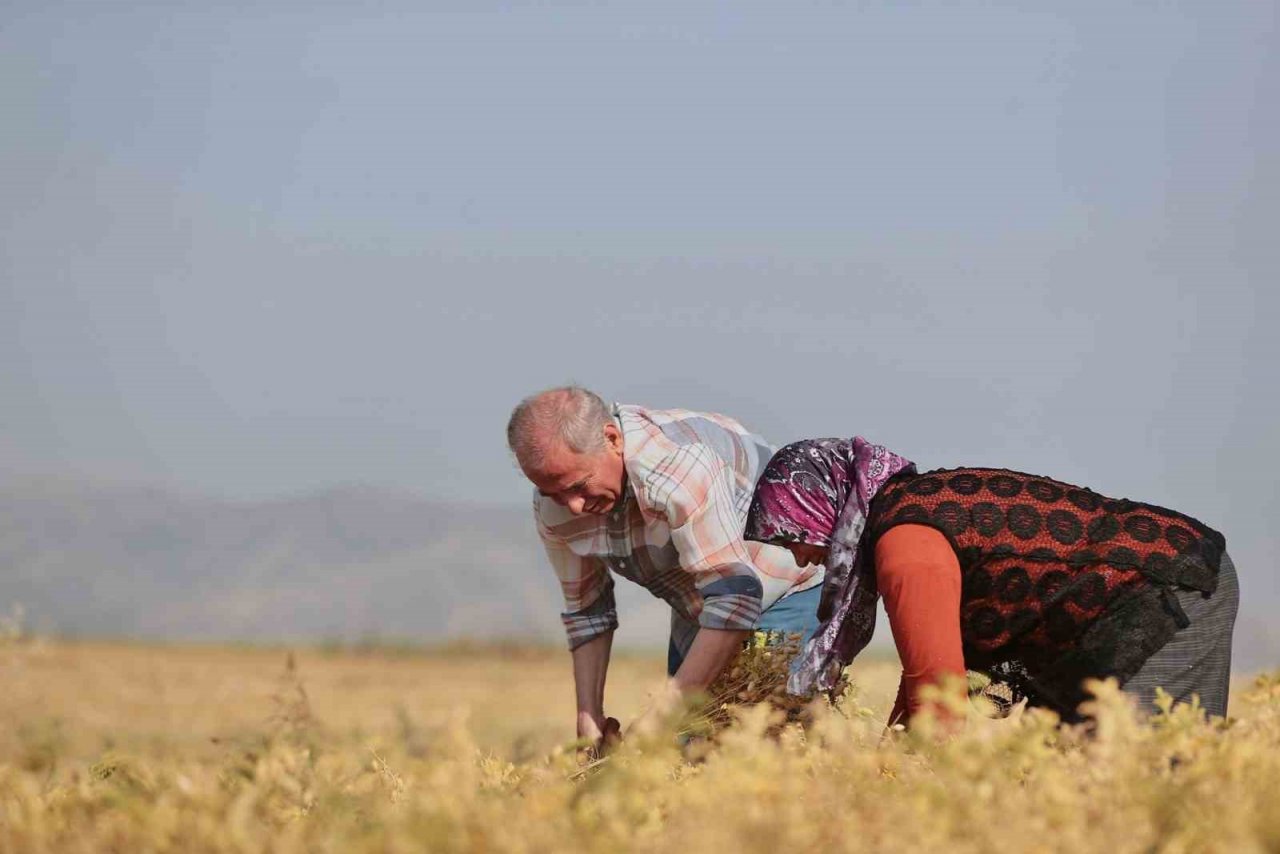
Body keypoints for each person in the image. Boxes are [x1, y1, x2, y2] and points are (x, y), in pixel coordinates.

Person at [742, 437, 1239, 726]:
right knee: (1067, 788)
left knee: (1143, 781)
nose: (801, 556)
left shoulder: (907, 545)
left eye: (793, 533)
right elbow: (925, 680)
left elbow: (939, 698)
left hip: (1166, 588)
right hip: (1117, 606)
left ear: (826, 508)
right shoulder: (902, 520)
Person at [506, 386, 824, 750]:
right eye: (554, 493)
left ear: (612, 439)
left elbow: (735, 595)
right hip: (702, 606)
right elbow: (587, 611)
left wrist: (662, 714)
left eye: (578, 486)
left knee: (769, 744)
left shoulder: (678, 467)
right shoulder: (554, 506)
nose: (572, 506)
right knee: (685, 752)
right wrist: (588, 717)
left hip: (786, 585)